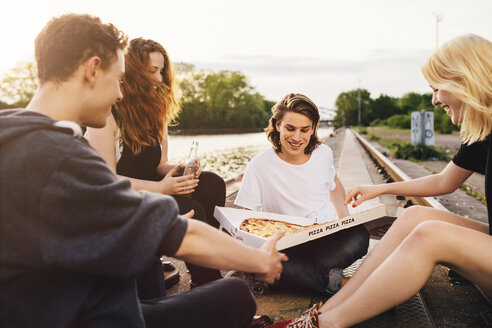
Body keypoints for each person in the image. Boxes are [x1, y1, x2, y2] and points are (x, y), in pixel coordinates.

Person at [0, 13, 288, 328]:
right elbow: (184, 236)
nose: (120, 93)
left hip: (59, 299)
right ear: (92, 69)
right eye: (116, 78)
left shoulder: (14, 136)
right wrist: (260, 259)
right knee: (236, 294)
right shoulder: (60, 158)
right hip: (90, 316)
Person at [267, 34, 492, 328]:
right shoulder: (483, 129)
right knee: (415, 215)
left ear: (465, 80)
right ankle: (328, 309)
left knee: (430, 235)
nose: (434, 100)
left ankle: (326, 325)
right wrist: (380, 189)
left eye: (437, 88)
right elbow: (445, 181)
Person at [85, 38, 224, 297]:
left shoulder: (156, 110)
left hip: (155, 189)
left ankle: (202, 268)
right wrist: (162, 188)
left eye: (162, 71)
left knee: (212, 183)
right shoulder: (107, 114)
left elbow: (160, 164)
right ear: (134, 72)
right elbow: (106, 180)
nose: (159, 79)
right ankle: (212, 286)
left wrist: (181, 169)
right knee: (192, 208)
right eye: (152, 71)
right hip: (122, 201)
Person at [235, 93, 370, 295]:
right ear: (278, 125)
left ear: (314, 128)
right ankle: (328, 280)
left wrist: (345, 221)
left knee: (359, 236)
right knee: (270, 263)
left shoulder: (323, 154)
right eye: (290, 128)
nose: (297, 138)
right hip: (287, 246)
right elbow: (246, 216)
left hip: (324, 239)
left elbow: (333, 183)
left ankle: (307, 278)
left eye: (304, 129)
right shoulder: (259, 165)